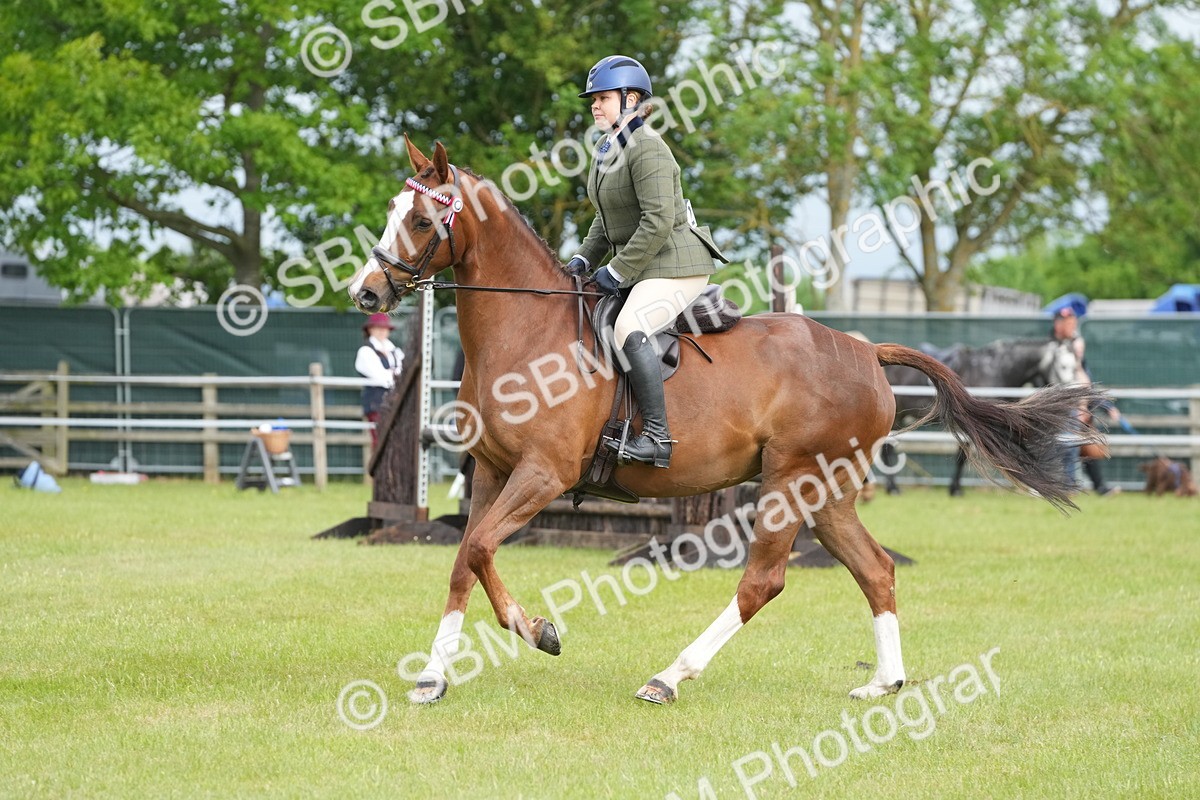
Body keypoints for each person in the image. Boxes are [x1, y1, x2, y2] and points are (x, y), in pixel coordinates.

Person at [566, 55, 728, 468]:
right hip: (646, 264)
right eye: (593, 100)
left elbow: (657, 223)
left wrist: (617, 271)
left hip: (677, 263)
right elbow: (605, 220)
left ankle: (657, 438)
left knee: (628, 326)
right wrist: (584, 260)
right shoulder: (607, 149)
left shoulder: (649, 149)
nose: (595, 107)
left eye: (602, 98)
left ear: (631, 98)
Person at [1051, 307, 1120, 496]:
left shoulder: (1075, 349)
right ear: (1058, 324)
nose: (1071, 326)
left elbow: (1087, 381)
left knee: (1087, 444)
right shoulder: (1051, 349)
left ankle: (1098, 486)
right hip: (1062, 407)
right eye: (1067, 322)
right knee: (1068, 446)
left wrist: (1106, 406)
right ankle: (1067, 486)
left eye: (1073, 322)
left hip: (1080, 406)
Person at [356, 312, 404, 449]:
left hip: (396, 403)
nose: (382, 331)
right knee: (380, 442)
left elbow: (404, 373)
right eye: (378, 327)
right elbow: (381, 377)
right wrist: (395, 375)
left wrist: (393, 375)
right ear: (370, 329)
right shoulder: (365, 351)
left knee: (396, 443)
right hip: (376, 404)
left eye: (385, 328)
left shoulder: (394, 350)